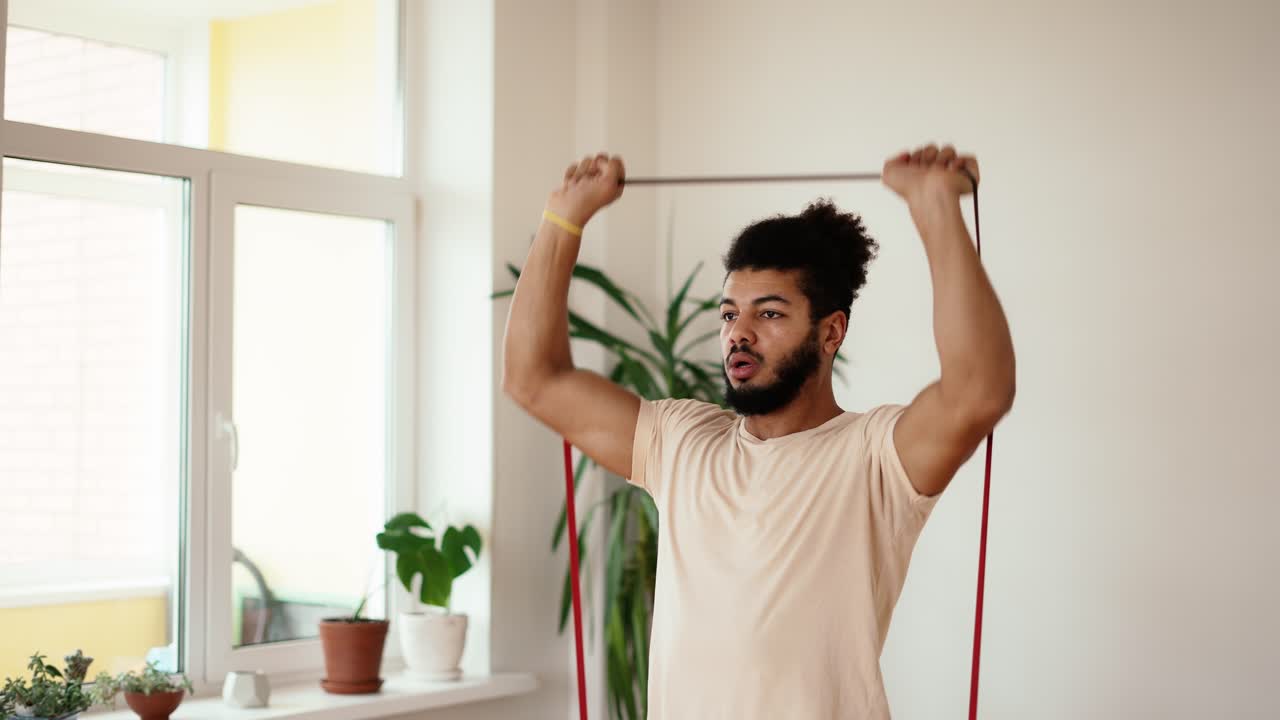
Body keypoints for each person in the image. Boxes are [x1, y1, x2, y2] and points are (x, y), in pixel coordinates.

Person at [502, 144, 1016, 719]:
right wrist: (561, 219)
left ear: (830, 332)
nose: (738, 334)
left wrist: (936, 207)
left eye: (768, 313)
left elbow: (978, 390)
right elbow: (535, 378)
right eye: (728, 314)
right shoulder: (681, 441)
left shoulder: (876, 457)